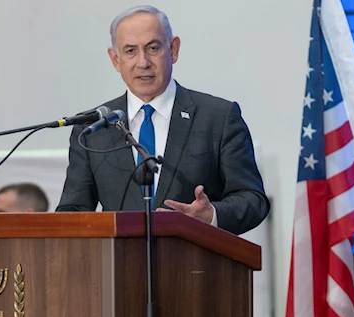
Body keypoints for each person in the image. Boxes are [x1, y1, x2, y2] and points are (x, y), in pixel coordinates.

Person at [56, 5, 269, 235]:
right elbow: (73, 209)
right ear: (115, 59)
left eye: (153, 47)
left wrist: (211, 216)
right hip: (118, 266)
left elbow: (252, 199)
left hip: (196, 266)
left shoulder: (218, 117)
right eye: (130, 51)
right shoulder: (92, 128)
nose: (143, 62)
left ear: (173, 49)